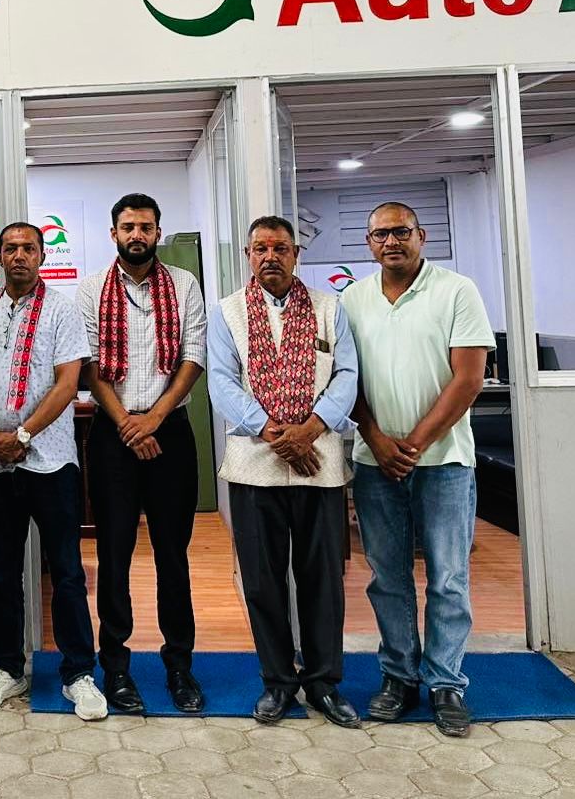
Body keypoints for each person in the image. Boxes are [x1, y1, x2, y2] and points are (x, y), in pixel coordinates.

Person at [342, 201, 495, 738]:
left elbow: (468, 379)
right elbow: (344, 380)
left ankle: (446, 683)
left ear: (421, 235)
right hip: (374, 464)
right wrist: (376, 439)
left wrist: (413, 444)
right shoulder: (353, 300)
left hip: (444, 463)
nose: (391, 242)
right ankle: (399, 676)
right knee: (388, 579)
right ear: (369, 243)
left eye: (401, 232)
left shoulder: (457, 291)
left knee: (448, 578)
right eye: (380, 234)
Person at [206, 216, 360, 727]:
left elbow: (347, 375)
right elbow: (222, 383)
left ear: (295, 254)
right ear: (248, 255)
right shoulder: (227, 312)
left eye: (280, 248)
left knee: (323, 579)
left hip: (320, 463)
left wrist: (309, 429)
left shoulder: (329, 308)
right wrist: (274, 432)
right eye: (260, 248)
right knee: (262, 580)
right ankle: (277, 682)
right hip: (255, 465)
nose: (269, 256)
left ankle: (324, 683)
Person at [0, 223, 107, 722]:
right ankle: (6, 668)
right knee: (0, 575)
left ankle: (78, 673)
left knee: (66, 572)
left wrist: (22, 435)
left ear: (43, 255)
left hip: (51, 462)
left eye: (29, 248)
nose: (19, 255)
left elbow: (68, 382)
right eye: (10, 248)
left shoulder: (62, 309)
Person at [76, 193, 208, 714]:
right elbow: (89, 365)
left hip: (169, 431)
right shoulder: (91, 289)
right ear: (113, 233)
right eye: (128, 226)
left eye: (146, 227)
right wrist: (130, 426)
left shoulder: (185, 284)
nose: (137, 235)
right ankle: (116, 668)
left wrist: (152, 420)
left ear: (157, 231)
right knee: (114, 556)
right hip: (113, 434)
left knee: (173, 556)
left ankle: (180, 666)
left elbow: (193, 357)